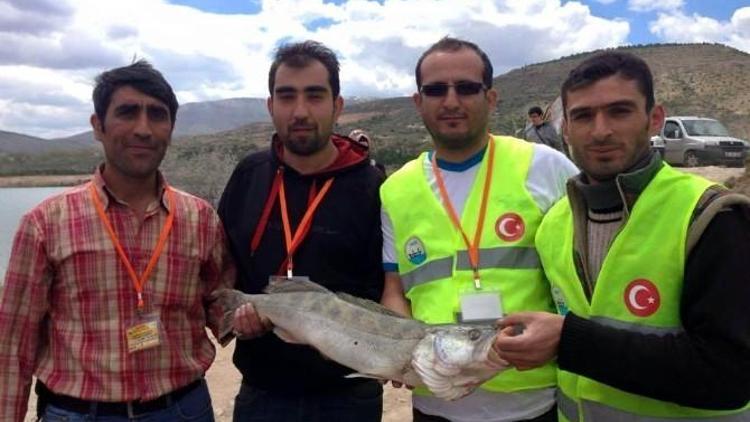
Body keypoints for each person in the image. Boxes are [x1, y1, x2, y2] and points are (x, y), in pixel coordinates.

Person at [494, 51, 750, 421]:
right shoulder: (552, 226)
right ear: (565, 130)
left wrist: (570, 341)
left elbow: (730, 373)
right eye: (582, 116)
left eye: (620, 111)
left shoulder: (712, 217)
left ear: (654, 119)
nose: (600, 131)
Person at [0, 60, 235, 421]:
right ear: (98, 125)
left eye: (157, 115)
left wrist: (266, 314)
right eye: (127, 112)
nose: (143, 129)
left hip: (183, 410)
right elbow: (13, 345)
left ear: (170, 128)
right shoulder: (45, 223)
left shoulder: (200, 219)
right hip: (79, 413)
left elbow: (220, 306)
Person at [379, 37, 578, 422]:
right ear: (418, 102)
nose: (451, 101)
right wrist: (400, 349)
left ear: (491, 98)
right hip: (435, 401)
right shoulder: (395, 189)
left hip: (533, 401)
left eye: (466, 88)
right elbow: (393, 288)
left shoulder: (545, 167)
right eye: (435, 90)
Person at [218, 40, 385, 421]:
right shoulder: (248, 175)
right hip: (262, 394)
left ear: (337, 106)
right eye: (287, 96)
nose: (300, 111)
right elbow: (224, 266)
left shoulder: (372, 187)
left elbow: (384, 285)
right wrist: (238, 318)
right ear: (270, 105)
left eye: (315, 96)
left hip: (349, 396)